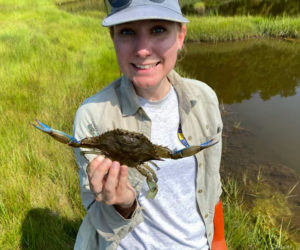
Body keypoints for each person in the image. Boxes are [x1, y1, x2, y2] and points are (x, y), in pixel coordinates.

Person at [73, 0, 225, 249]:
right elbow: (94, 211)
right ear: (113, 39)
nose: (143, 50)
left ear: (180, 36)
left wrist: (218, 240)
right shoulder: (92, 116)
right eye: (127, 31)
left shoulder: (204, 99)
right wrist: (123, 205)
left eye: (158, 29)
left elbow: (211, 182)